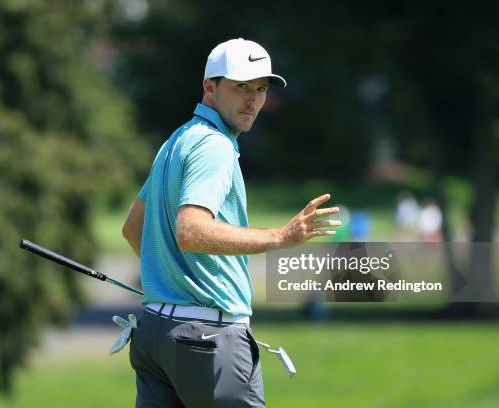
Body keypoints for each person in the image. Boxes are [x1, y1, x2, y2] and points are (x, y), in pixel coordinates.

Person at [122, 38, 341, 407]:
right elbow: (191, 230)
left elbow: (133, 227)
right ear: (210, 87)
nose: (253, 100)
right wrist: (280, 236)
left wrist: (172, 284)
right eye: (242, 87)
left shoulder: (178, 140)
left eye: (260, 89)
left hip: (156, 334)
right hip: (207, 339)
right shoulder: (215, 146)